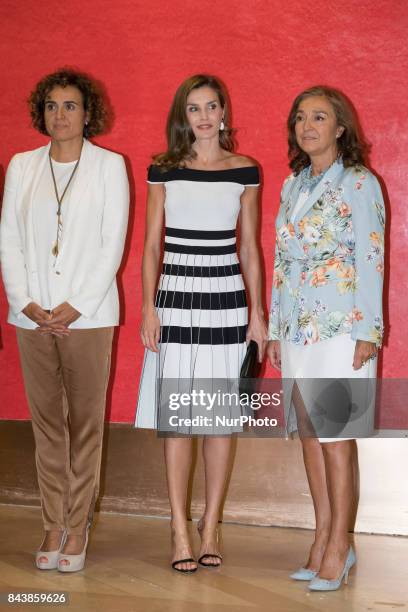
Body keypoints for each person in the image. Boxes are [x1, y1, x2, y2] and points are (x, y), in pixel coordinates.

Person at [135, 74, 267, 572]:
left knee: (216, 418)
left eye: (212, 106)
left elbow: (250, 246)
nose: (205, 116)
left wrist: (258, 313)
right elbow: (151, 245)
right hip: (176, 297)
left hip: (227, 299)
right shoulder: (163, 169)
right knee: (178, 421)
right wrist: (149, 306)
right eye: (194, 108)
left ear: (224, 112)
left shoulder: (245, 170)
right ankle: (178, 526)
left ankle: (211, 524)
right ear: (183, 116)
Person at [0, 69, 129, 572]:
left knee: (85, 427)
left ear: (87, 112)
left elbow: (111, 241)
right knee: (48, 427)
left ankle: (78, 527)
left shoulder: (109, 166)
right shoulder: (22, 166)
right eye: (51, 105)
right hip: (31, 317)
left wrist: (77, 303)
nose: (60, 114)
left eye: (70, 105)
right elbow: (8, 237)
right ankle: (52, 522)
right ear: (42, 114)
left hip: (88, 317)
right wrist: (24, 301)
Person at [267, 86, 385, 591]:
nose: (307, 125)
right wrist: (274, 330)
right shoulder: (291, 186)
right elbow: (280, 263)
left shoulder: (360, 183)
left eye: (319, 117)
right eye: (300, 118)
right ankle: (321, 539)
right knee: (311, 438)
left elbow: (370, 258)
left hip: (342, 327)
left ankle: (341, 544)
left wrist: (369, 331)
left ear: (341, 128)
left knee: (337, 440)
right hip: (297, 329)